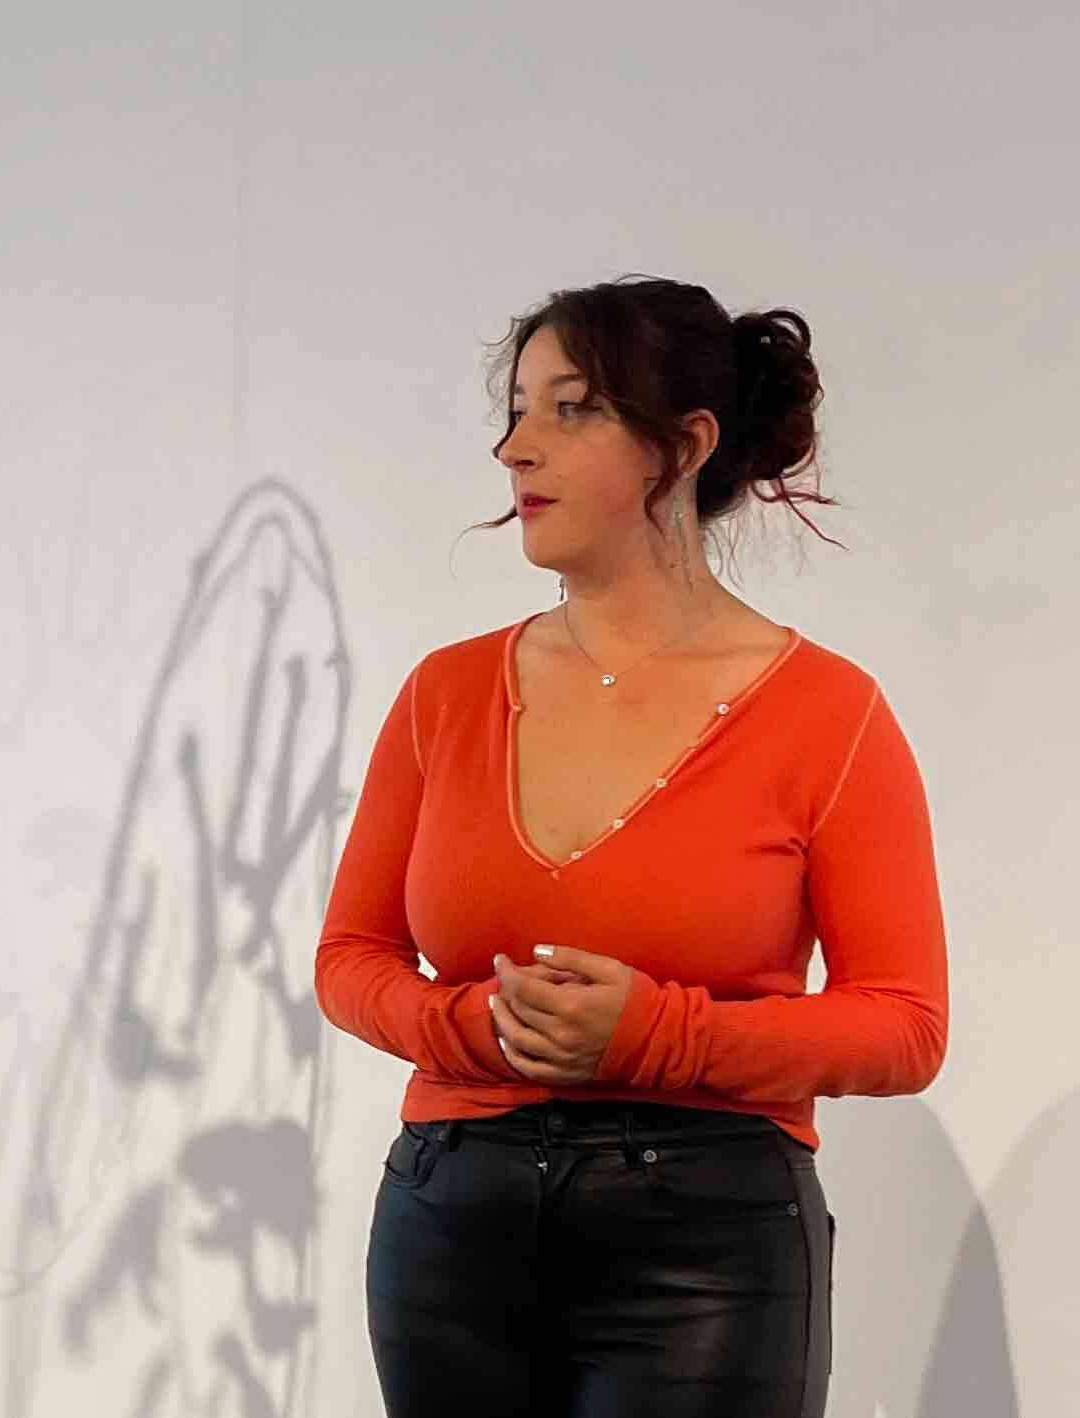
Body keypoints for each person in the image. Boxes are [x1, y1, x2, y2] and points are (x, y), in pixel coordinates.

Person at [313, 276, 950, 1418]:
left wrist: (658, 1033)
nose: (515, 447)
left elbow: (904, 1024)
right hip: (449, 1220)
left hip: (705, 1237)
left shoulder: (827, 711)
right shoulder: (444, 693)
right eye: (513, 410)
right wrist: (468, 1025)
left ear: (686, 445)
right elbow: (349, 954)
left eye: (569, 409)